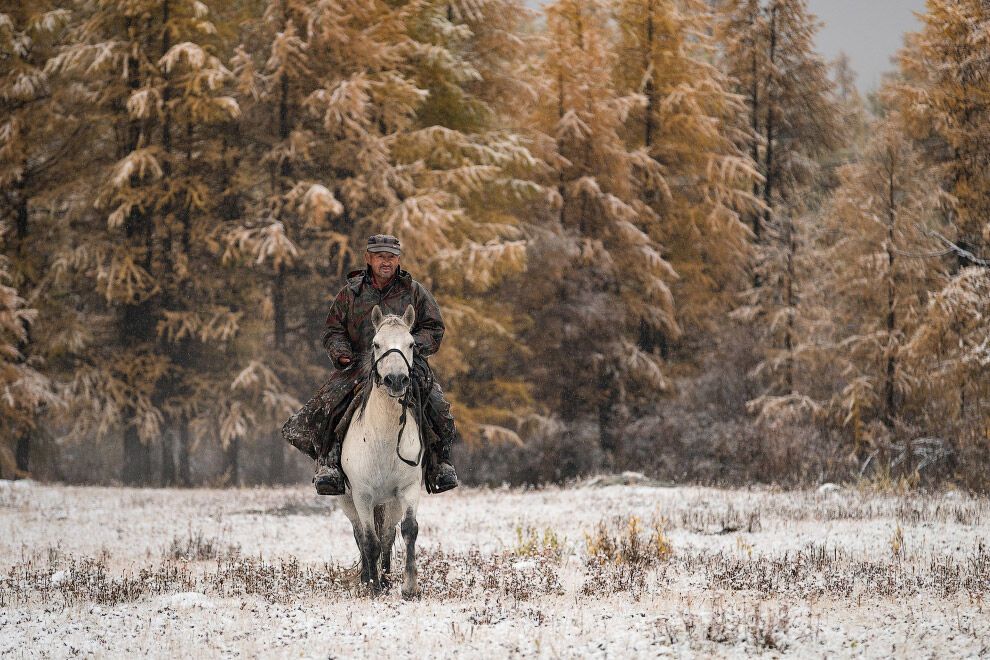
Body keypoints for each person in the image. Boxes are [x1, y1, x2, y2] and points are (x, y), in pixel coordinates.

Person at [281, 234, 460, 495]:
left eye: (391, 257)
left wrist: (406, 346)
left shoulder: (415, 291)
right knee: (328, 404)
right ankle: (329, 464)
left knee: (438, 406)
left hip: (404, 364)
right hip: (358, 364)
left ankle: (439, 464)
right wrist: (341, 353)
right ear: (368, 258)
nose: (386, 262)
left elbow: (434, 327)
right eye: (380, 257)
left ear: (398, 259)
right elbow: (333, 330)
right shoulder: (351, 293)